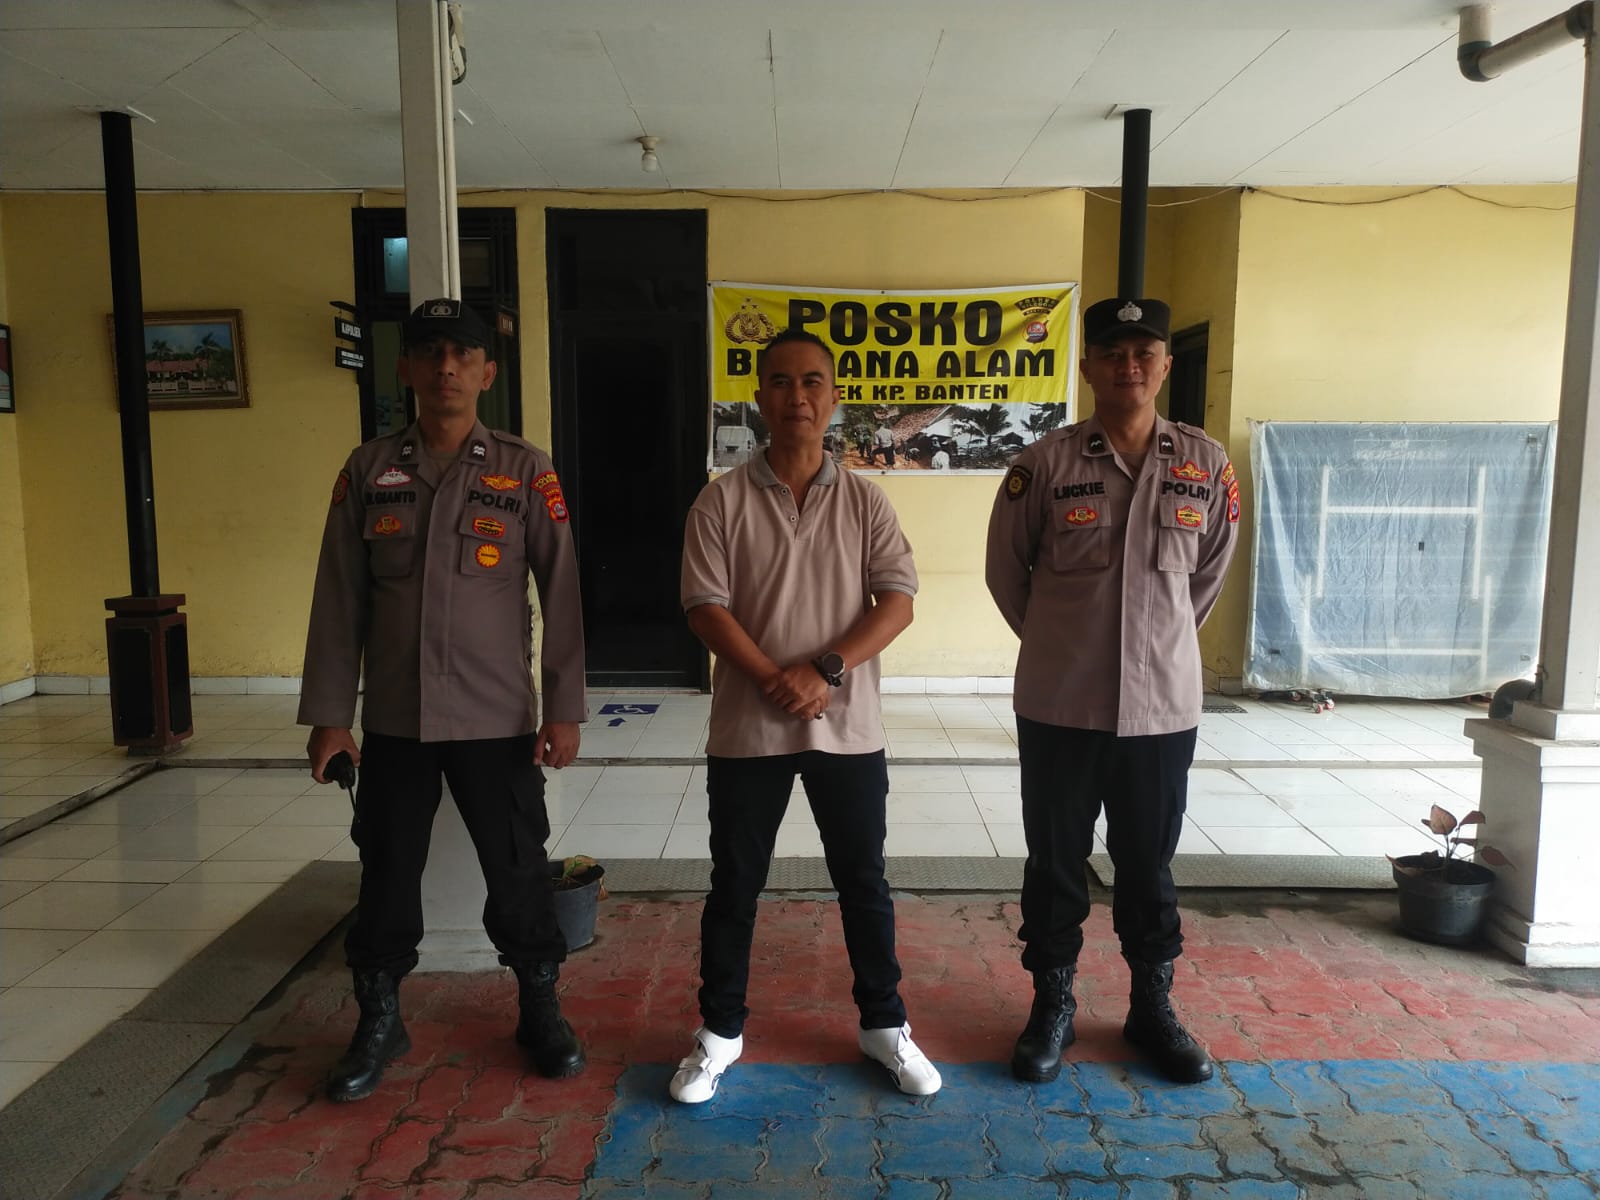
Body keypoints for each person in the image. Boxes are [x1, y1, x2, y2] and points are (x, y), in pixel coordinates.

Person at [299, 298, 589, 1102]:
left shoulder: (525, 469)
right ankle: (379, 1018)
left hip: (497, 721)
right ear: (406, 369)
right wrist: (330, 718)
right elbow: (338, 599)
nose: (446, 367)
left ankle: (539, 1008)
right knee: (387, 872)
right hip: (397, 721)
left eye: (462, 354)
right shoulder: (368, 470)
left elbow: (561, 593)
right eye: (429, 352)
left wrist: (564, 708)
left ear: (487, 373)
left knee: (518, 868)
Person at [672, 328, 941, 1103]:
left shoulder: (865, 500)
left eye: (812, 381)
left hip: (846, 728)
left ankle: (884, 1025)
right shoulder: (720, 499)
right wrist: (774, 678)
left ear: (834, 397)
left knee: (863, 880)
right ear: (760, 396)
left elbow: (898, 601)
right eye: (782, 382)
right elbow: (705, 607)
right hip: (748, 730)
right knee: (735, 884)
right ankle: (719, 1033)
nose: (798, 396)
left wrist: (823, 670)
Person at [984, 297, 1240, 1086]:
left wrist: (1154, 646)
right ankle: (1052, 1005)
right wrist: (1066, 644)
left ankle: (1151, 1008)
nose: (1129, 365)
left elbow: (1207, 577)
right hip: (1060, 706)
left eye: (1144, 352)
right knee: (1055, 863)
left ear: (1165, 366)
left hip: (1161, 710)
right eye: (1113, 352)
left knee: (1148, 864)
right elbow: (1007, 574)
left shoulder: (1206, 463)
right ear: (1088, 366)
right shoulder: (1044, 464)